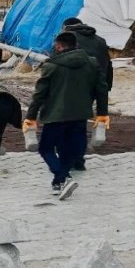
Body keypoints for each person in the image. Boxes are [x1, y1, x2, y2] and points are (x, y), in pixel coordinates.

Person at [24, 32, 110, 200]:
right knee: (69, 150)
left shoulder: (51, 66)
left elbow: (39, 95)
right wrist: (102, 114)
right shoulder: (92, 63)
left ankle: (64, 177)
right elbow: (102, 90)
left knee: (46, 149)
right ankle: (59, 183)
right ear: (75, 44)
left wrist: (30, 117)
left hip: (55, 116)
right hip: (80, 115)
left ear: (59, 46)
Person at [61, 17, 113, 171]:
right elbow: (108, 67)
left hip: (69, 87)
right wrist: (105, 89)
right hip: (92, 88)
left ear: (66, 27)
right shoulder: (100, 41)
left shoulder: (65, 40)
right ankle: (78, 160)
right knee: (80, 123)